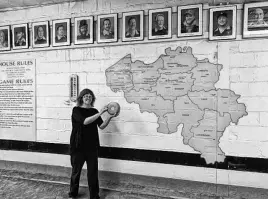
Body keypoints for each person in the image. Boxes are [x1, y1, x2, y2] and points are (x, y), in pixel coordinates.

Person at [68, 88, 115, 199]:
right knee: (76, 172)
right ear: (81, 98)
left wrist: (109, 117)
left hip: (92, 146)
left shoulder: (94, 111)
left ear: (92, 98)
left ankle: (94, 195)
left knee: (93, 172)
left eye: (90, 96)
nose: (88, 98)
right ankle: (73, 193)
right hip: (77, 146)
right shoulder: (76, 110)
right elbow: (85, 121)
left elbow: (101, 126)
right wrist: (101, 113)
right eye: (85, 96)